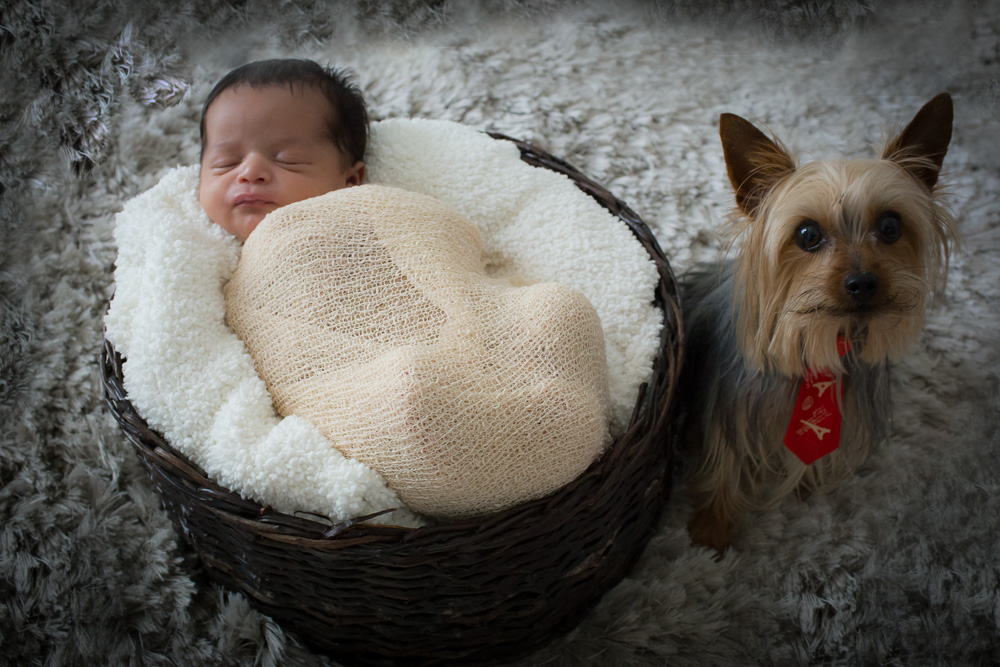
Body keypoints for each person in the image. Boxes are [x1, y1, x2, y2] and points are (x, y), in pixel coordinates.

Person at [198, 59, 369, 242]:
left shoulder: (367, 247)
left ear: (350, 182)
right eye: (227, 162)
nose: (250, 172)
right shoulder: (181, 244)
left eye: (288, 159)